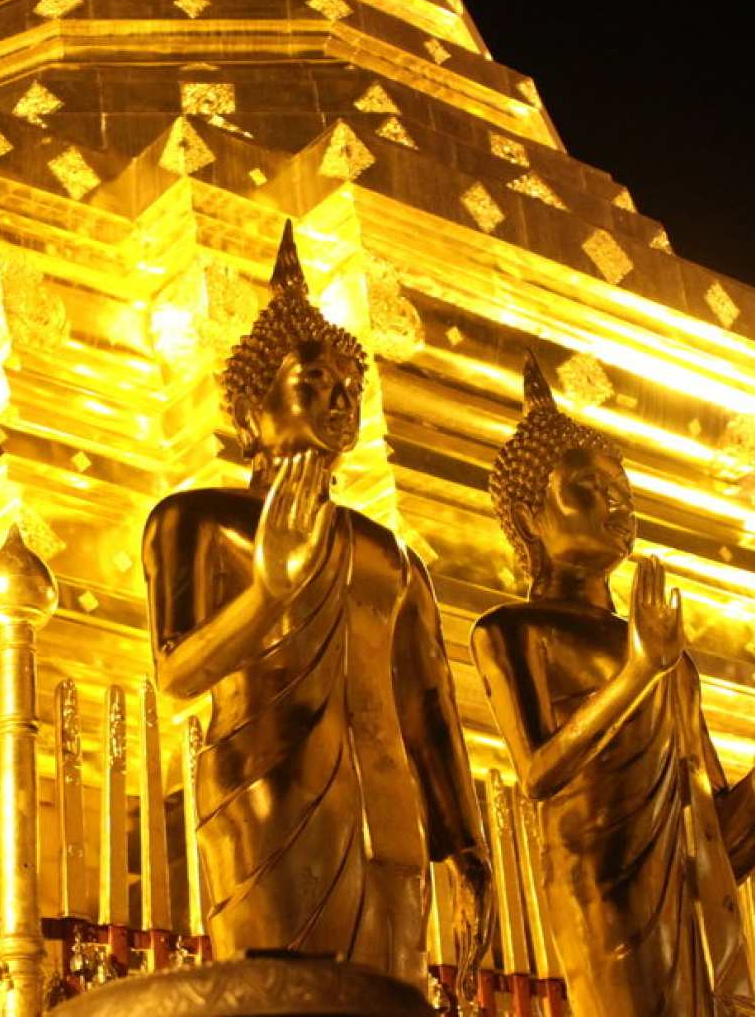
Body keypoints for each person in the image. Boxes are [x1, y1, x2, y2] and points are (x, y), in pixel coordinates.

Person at [142, 223, 493, 998]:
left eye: (348, 389)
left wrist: (464, 841)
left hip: (390, 812)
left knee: (391, 992)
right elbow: (175, 672)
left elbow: (427, 705)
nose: (337, 401)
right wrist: (268, 593)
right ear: (250, 410)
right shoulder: (199, 520)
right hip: (269, 794)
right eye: (312, 382)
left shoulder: (390, 555)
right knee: (286, 993)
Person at [470, 354, 755, 1015]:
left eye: (622, 491)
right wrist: (638, 670)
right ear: (528, 517)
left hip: (704, 910)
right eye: (586, 488)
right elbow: (539, 772)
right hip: (609, 902)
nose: (615, 504)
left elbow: (721, 834)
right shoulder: (514, 630)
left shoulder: (669, 659)